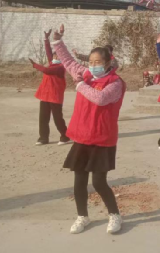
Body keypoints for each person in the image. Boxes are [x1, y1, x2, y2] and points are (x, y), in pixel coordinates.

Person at [51, 25, 126, 235]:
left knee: (99, 182)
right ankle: (82, 216)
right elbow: (68, 62)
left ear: (108, 63)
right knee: (79, 181)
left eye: (98, 62)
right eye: (91, 62)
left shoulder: (115, 83)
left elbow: (100, 99)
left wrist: (80, 85)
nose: (93, 66)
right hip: (82, 137)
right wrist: (57, 41)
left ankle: (115, 215)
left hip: (102, 139)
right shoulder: (86, 75)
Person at [29, 29, 69, 146]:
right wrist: (46, 39)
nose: (55, 56)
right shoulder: (52, 62)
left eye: (57, 55)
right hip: (45, 95)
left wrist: (35, 65)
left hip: (55, 96)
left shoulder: (60, 67)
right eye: (54, 54)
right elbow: (48, 52)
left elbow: (46, 70)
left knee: (57, 118)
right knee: (43, 118)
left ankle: (65, 135)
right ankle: (43, 137)